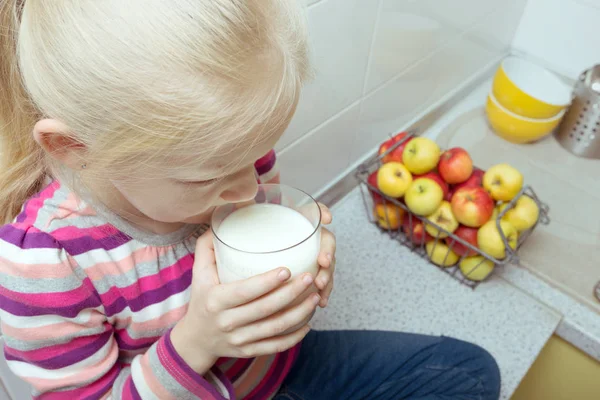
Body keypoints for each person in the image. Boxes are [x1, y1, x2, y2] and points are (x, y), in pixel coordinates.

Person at [0, 1, 501, 399]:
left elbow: (260, 217)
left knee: (470, 373)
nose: (247, 187)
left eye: (255, 154)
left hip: (274, 375)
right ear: (76, 149)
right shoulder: (46, 263)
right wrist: (196, 342)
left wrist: (303, 262)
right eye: (208, 177)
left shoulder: (230, 159)